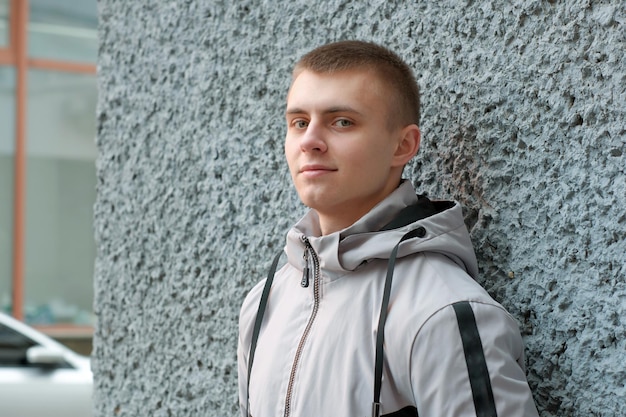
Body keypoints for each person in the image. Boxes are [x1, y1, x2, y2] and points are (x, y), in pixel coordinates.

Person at [237, 40, 539, 417]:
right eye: (299, 122)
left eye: (341, 122)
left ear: (403, 145)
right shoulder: (264, 303)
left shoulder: (441, 312)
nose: (310, 141)